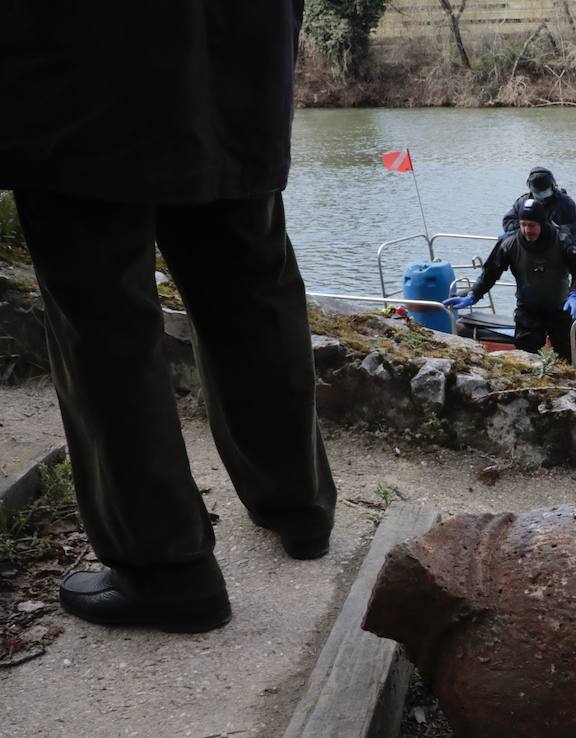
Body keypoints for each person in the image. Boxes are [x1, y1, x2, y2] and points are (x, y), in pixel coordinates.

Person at [0, 1, 336, 632]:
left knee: (100, 312)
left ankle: (165, 570)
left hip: (83, 58)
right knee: (249, 275)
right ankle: (298, 507)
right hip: (239, 45)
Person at [449, 198, 576, 363]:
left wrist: (575, 295)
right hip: (528, 309)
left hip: (560, 308)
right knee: (526, 360)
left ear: (542, 223)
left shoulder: (563, 240)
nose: (526, 230)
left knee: (566, 358)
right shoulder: (509, 243)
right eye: (523, 224)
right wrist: (474, 294)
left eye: (532, 225)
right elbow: (490, 273)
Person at [501, 166, 576, 240]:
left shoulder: (565, 202)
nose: (541, 195)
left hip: (557, 246)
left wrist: (560, 230)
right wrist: (528, 227)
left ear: (552, 186)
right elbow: (507, 222)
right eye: (538, 192)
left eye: (544, 191)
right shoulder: (523, 202)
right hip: (528, 247)